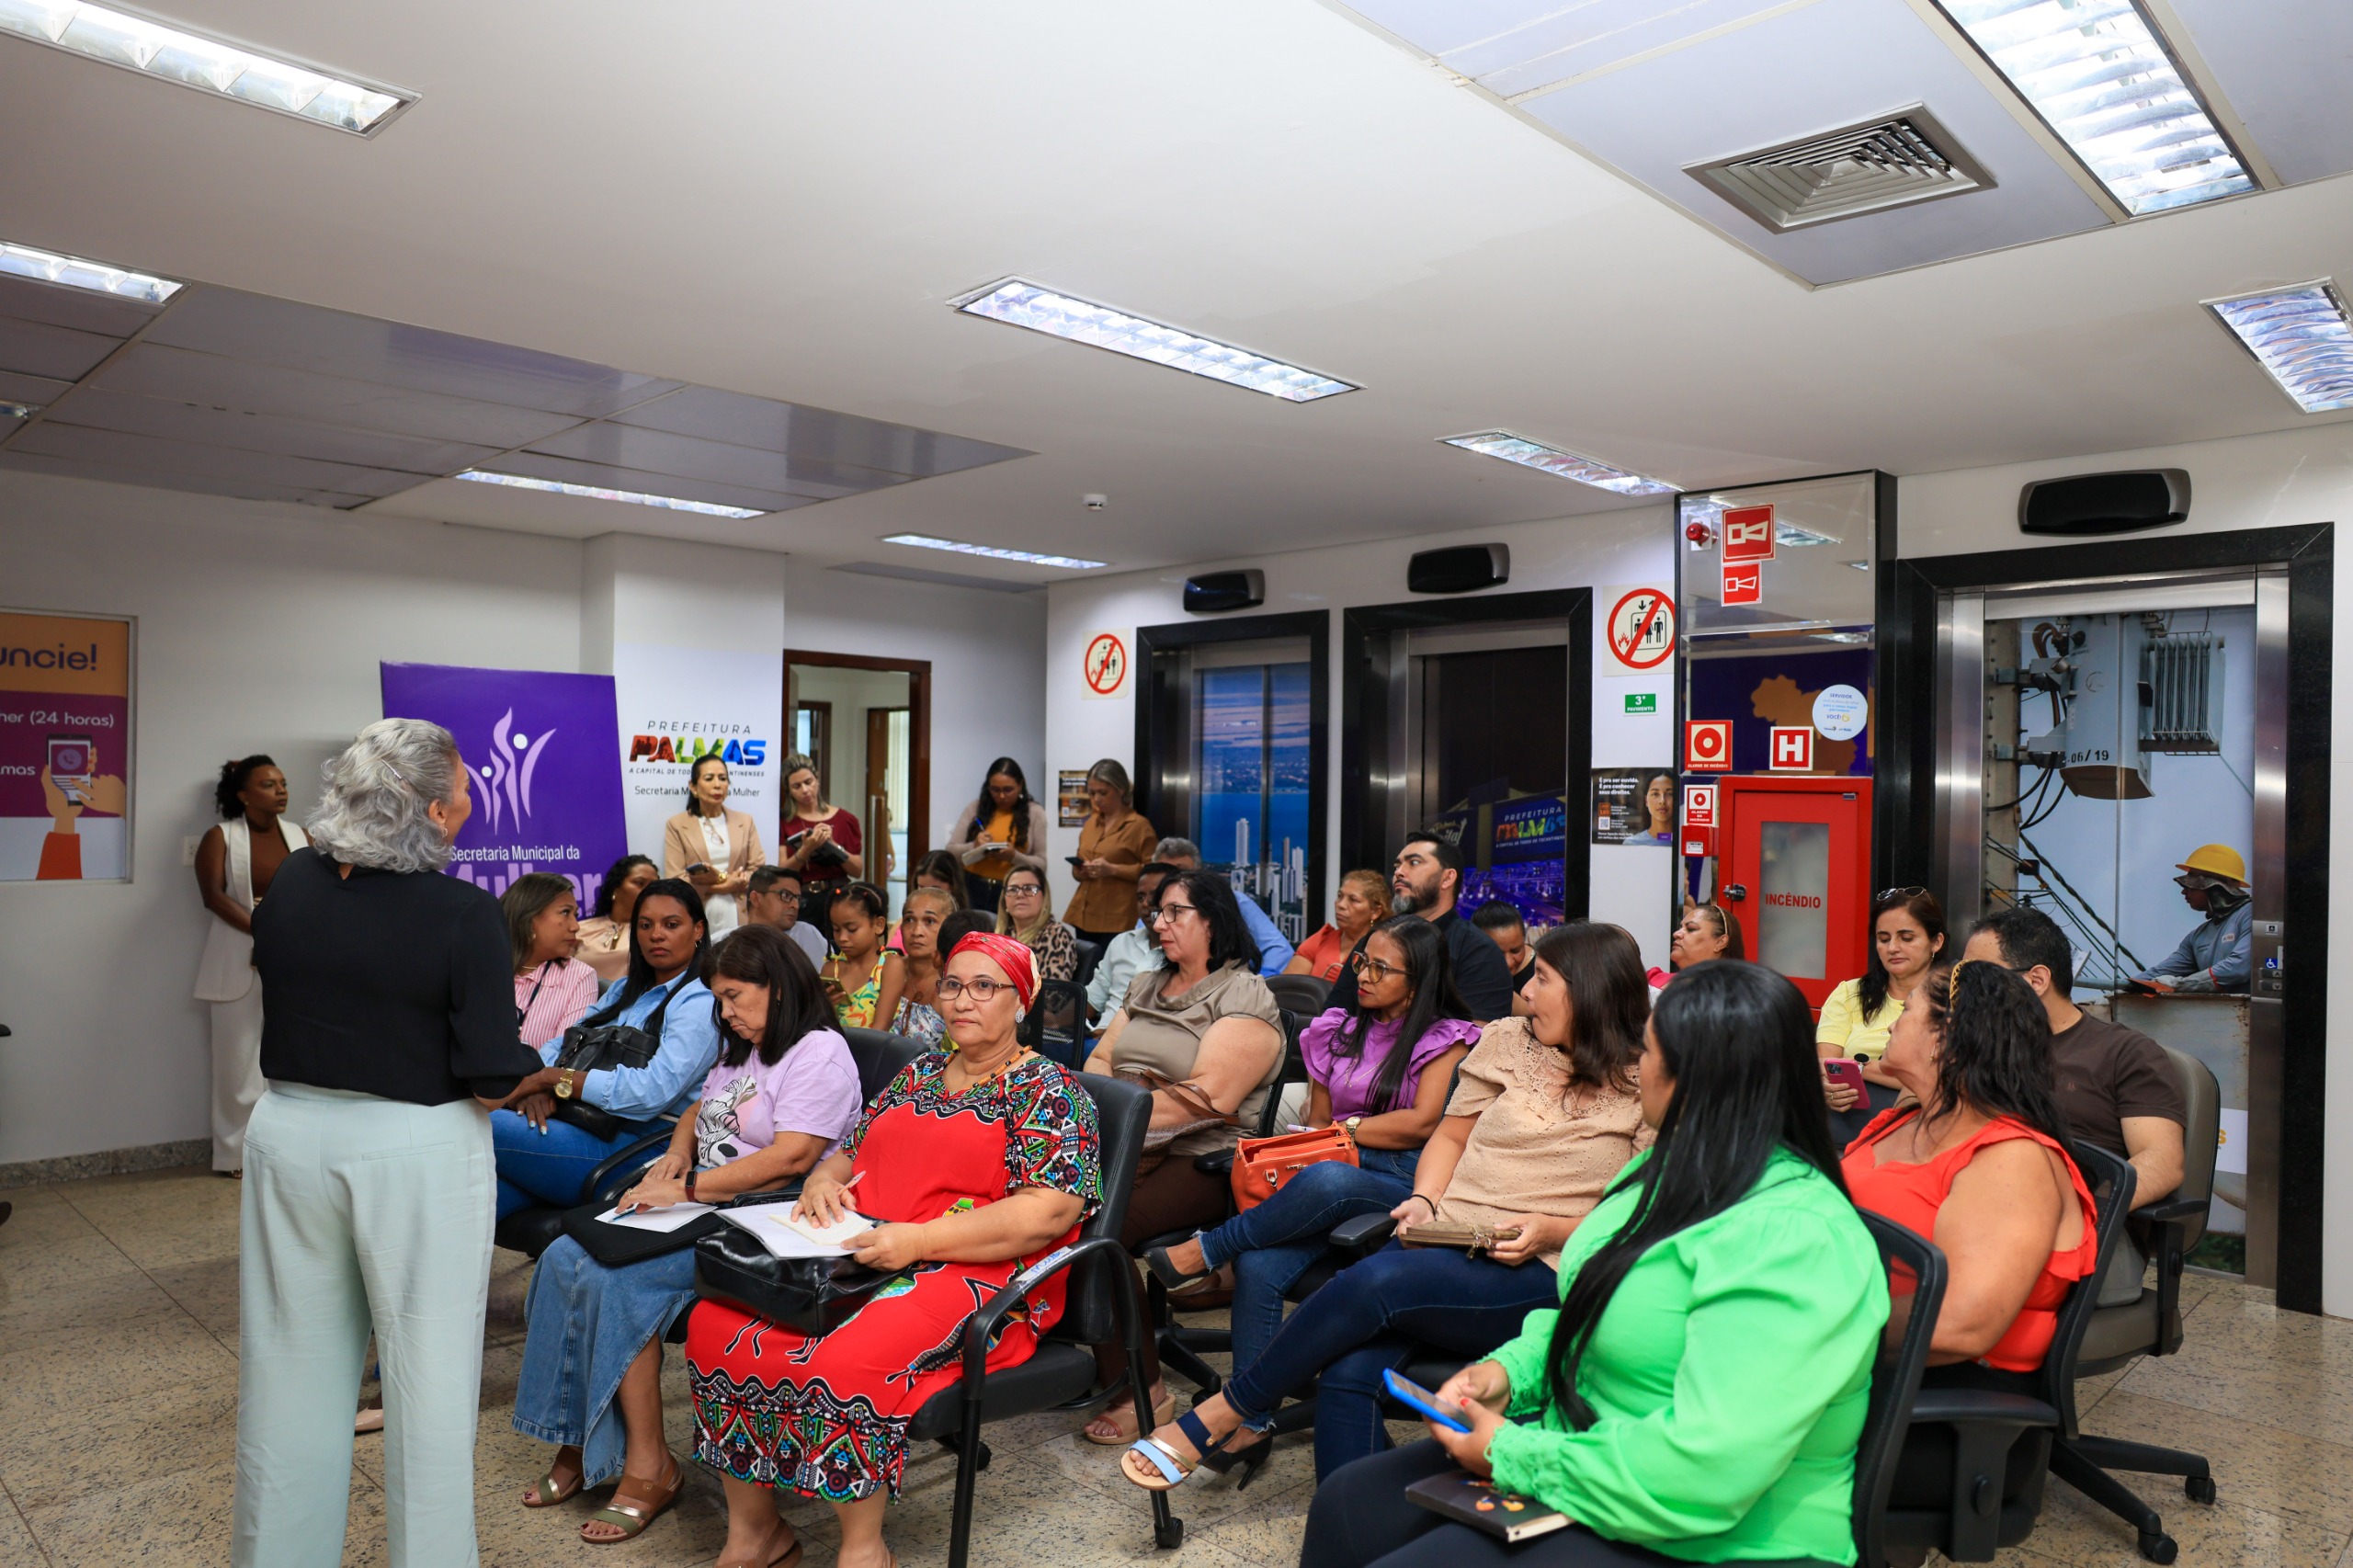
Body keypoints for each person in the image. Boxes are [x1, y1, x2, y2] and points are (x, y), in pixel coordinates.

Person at [1295, 960, 1890, 1568]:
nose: (1638, 1068)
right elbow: (1598, 1310)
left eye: (1650, 1051)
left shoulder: (1793, 1237)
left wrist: (1512, 1454)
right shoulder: (1666, 1169)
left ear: (1695, 1079)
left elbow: (1705, 1472)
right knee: (1348, 1504)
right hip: (1591, 1452)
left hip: (1707, 1532)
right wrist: (1507, 1372)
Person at [1122, 920, 1653, 1484]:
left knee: (1377, 1280)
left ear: (1589, 989)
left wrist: (1551, 1229)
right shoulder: (1508, 1040)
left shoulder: (1648, 1081)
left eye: (1542, 978)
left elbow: (1644, 1216)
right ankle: (1352, 1527)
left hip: (1544, 1267)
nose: (1525, 988)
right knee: (1352, 1372)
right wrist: (1425, 1199)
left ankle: (1227, 1411)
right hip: (1449, 1238)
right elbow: (1448, 1136)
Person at [685, 934, 1102, 1568]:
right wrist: (824, 1181)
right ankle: (755, 1532)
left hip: (978, 1273)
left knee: (846, 1356)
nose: (963, 1000)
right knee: (716, 1324)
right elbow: (848, 1149)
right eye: (953, 984)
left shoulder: (1049, 1092)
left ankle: (864, 1548)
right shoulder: (920, 1071)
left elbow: (1046, 1214)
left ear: (1022, 1000)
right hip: (864, 1249)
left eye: (985, 986)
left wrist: (919, 1241)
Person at [238, 718, 545, 1567]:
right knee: (429, 1378)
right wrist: (534, 1065)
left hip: (289, 1133)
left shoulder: (292, 879)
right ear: (432, 812)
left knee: (288, 1369)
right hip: (413, 1148)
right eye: (463, 793)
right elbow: (490, 1074)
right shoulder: (461, 911)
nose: (472, 804)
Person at [513, 924, 863, 1545]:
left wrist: (692, 1188)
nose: (724, 1012)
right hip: (706, 1201)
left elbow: (790, 1158)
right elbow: (704, 1109)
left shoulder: (818, 1052)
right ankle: (573, 1440)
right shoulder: (748, 1043)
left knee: (616, 1276)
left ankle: (651, 1467)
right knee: (565, 1255)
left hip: (767, 1218)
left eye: (733, 996)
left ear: (777, 989)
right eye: (720, 999)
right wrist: (676, 1155)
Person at [1143, 915, 1480, 1404]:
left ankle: (1211, 1249)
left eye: (1380, 969)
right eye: (1362, 962)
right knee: (1260, 1264)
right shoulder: (1336, 1030)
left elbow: (1422, 1123)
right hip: (1332, 1172)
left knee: (1329, 1178)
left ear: (1418, 981)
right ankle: (1250, 1416)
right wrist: (1337, 1135)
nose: (1362, 976)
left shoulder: (1444, 1038)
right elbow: (1318, 1124)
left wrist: (1347, 1130)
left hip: (1408, 1179)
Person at [1846, 958, 2098, 1510]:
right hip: (1866, 1372)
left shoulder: (2011, 1159)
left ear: (1946, 1040)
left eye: (1907, 1010)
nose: (1891, 1023)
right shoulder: (1906, 1119)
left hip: (1937, 1411)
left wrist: (1801, 1326)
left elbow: (1959, 1326)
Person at [1081, 870, 1286, 1444]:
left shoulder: (1241, 994)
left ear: (1213, 921)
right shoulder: (1146, 985)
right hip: (1128, 1143)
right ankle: (1099, 1368)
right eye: (1158, 912)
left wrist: (1128, 1101)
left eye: (1174, 912)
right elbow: (1098, 1065)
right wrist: (1133, 1099)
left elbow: (1211, 1099)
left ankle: (1143, 1390)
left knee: (1100, 1228)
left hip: (1205, 1159)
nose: (1159, 923)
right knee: (1049, 1206)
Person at [492, 880, 722, 1220]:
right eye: (645, 925)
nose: (656, 935)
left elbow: (651, 1094)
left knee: (480, 1123)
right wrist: (533, 1082)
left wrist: (555, 1079)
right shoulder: (625, 989)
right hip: (581, 1121)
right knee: (475, 1194)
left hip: (639, 1146)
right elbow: (564, 1044)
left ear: (698, 929)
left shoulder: (700, 998)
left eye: (671, 925)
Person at [192, 753, 308, 1176]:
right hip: (236, 964)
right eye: (268, 784)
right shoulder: (220, 836)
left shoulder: (301, 835)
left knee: (292, 1063)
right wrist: (265, 928)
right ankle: (233, 1155)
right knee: (237, 1064)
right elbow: (214, 897)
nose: (281, 791)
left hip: (292, 961)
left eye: (283, 783)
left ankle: (280, 1153)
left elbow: (316, 892)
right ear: (243, 794)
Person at [1324, 831, 1512, 1021]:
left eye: (1413, 863)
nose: (1399, 872)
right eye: (1397, 865)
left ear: (1447, 878)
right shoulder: (1375, 939)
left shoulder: (1478, 951)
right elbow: (1333, 1017)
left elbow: (1480, 1040)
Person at [1819, 887, 1947, 1142]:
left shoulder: (1954, 999)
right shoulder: (1850, 993)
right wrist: (1827, 1087)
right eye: (1884, 938)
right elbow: (1826, 1066)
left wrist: (1857, 1066)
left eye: (1907, 938)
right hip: (1845, 1132)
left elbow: (1941, 1080)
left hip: (1925, 1135)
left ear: (1936, 942)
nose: (1893, 948)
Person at [1156, 835, 1299, 974]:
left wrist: (1258, 980)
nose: (1175, 880)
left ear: (1199, 871)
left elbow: (1279, 949)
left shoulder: (1231, 901)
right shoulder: (1154, 913)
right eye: (1167, 873)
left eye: (1181, 871)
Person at [661, 754, 765, 939]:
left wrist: (741, 881)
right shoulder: (677, 824)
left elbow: (757, 868)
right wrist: (723, 885)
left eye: (723, 778)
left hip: (741, 911)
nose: (718, 784)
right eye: (709, 778)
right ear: (693, 786)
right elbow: (675, 878)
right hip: (698, 909)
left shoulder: (745, 821)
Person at [2132, 843, 2254, 994]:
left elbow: (2238, 967)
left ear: (2213, 887)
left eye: (2191, 886)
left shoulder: (2251, 915)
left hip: (2252, 1015)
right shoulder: (2197, 937)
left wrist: (2178, 985)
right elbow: (2159, 973)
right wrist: (2120, 990)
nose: (2184, 892)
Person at [1065, 758, 1158, 946]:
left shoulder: (1139, 826)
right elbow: (1079, 863)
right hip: (1084, 914)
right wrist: (1080, 870)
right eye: (1091, 793)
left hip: (1118, 919)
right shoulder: (1091, 823)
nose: (1096, 799)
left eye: (1103, 793)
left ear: (1121, 790)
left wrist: (1113, 870)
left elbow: (1154, 873)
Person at [505, 872, 602, 1047]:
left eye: (575, 915)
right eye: (565, 913)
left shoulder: (580, 976)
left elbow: (564, 1057)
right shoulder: (484, 968)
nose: (575, 926)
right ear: (528, 919)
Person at [944, 756, 1050, 914]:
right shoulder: (975, 808)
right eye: (995, 790)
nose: (1001, 796)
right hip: (972, 886)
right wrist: (975, 846)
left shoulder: (1035, 813)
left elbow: (1042, 864)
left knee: (1002, 937)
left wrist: (1014, 856)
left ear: (1020, 786)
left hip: (1012, 890)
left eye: (1008, 790)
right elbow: (950, 850)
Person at [1086, 860, 1176, 1023]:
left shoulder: (1181, 951)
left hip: (1138, 1041)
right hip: (1098, 1036)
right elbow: (1090, 1002)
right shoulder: (1122, 942)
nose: (1146, 904)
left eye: (1155, 896)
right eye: (1140, 897)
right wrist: (1050, 1024)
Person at [779, 751, 864, 915]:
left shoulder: (845, 819)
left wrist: (832, 845)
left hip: (838, 898)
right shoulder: (784, 822)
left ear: (817, 780)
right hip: (801, 900)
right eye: (797, 786)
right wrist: (805, 850)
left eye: (808, 782)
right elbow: (782, 871)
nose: (805, 790)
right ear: (789, 791)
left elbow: (857, 870)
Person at [822, 880, 907, 1031]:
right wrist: (825, 1009)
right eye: (836, 929)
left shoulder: (889, 965)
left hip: (876, 1051)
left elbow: (880, 1030)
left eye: (852, 929)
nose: (842, 937)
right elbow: (823, 1028)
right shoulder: (831, 969)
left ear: (878, 925)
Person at [1288, 869, 1388, 983]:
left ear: (1375, 911)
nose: (1341, 905)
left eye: (1353, 900)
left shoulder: (1382, 949)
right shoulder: (1322, 939)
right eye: (1340, 896)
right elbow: (1287, 990)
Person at [889, 883, 953, 1045]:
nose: (916, 931)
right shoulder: (882, 970)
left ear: (948, 927)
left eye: (929, 921)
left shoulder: (955, 984)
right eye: (909, 920)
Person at [575, 855, 656, 984]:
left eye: (654, 886)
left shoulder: (656, 932)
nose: (649, 891)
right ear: (616, 887)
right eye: (640, 883)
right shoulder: (580, 929)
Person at [1000, 862, 1082, 983]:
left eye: (1029, 889)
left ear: (1044, 897)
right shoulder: (1001, 934)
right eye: (1013, 889)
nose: (1020, 895)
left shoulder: (1056, 936)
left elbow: (1053, 996)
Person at [745, 863, 829, 967]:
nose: (796, 905)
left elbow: (828, 979)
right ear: (756, 899)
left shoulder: (804, 933)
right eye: (785, 895)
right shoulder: (725, 939)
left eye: (798, 898)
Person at [1471, 899, 1539, 996]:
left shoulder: (1542, 971)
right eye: (1497, 954)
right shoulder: (1466, 970)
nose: (1508, 963)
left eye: (1516, 951)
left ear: (1524, 940)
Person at [1641, 770, 1677, 846]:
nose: (1662, 801)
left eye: (1670, 794)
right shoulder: (1632, 842)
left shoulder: (1682, 840)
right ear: (1646, 801)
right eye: (1655, 794)